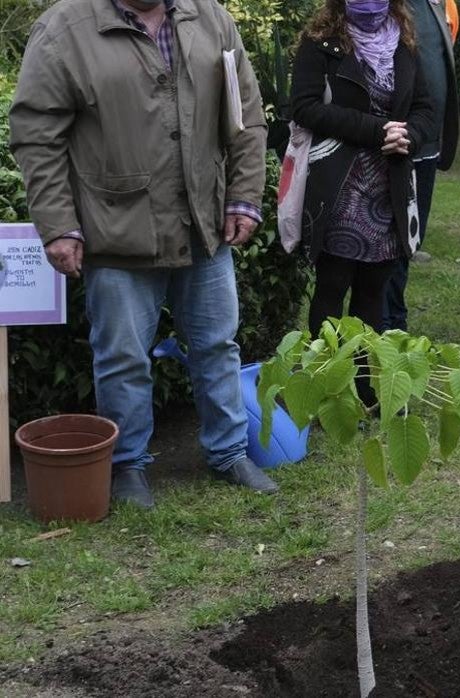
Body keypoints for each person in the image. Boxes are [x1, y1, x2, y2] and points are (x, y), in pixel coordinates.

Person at [10, 0, 276, 509]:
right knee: (122, 358)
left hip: (202, 223)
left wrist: (243, 196)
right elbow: (36, 137)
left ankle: (229, 452)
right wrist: (59, 225)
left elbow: (246, 117)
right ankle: (128, 464)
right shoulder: (65, 28)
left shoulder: (212, 18)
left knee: (217, 345)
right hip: (116, 231)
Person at [291, 0, 437, 343]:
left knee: (373, 291)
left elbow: (424, 108)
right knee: (332, 285)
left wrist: (410, 137)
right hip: (340, 186)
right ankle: (325, 381)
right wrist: (377, 130)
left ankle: (365, 388)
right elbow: (303, 106)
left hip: (389, 188)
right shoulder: (320, 42)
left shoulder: (403, 43)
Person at [380, 0, 460, 332]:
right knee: (384, 241)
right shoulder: (379, 7)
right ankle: (384, 325)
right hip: (389, 145)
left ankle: (393, 321)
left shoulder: (439, 4)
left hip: (426, 144)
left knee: (409, 240)